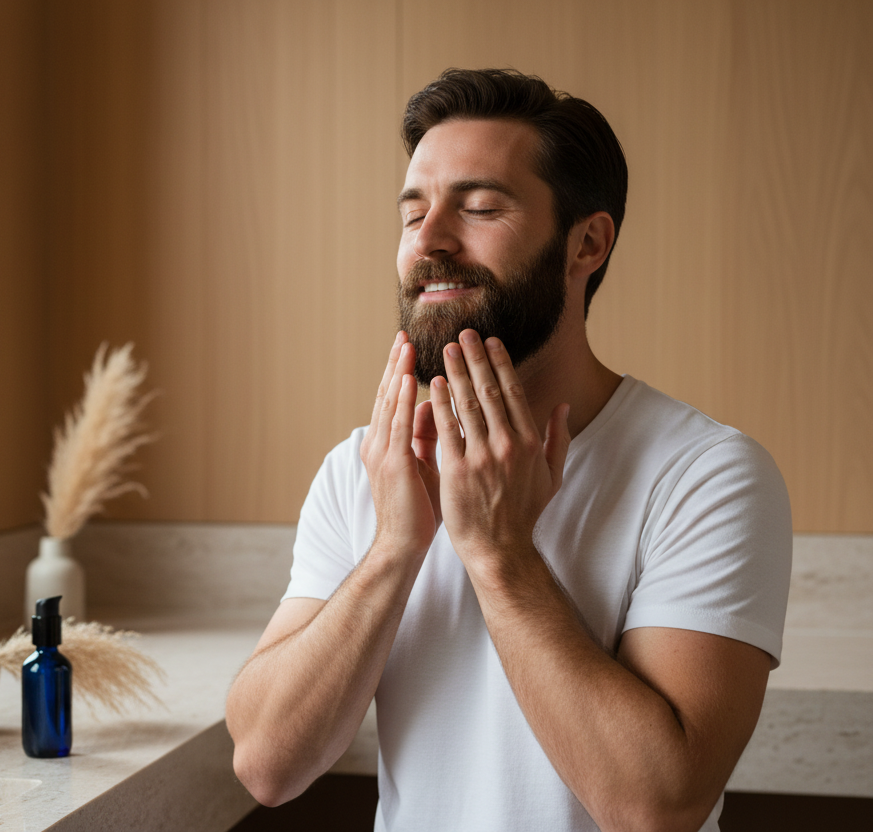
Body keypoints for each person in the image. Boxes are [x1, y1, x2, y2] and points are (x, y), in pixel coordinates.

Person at [225, 69, 792, 832]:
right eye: (412, 214)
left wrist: (499, 554)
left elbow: (656, 806)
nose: (429, 241)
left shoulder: (706, 477)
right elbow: (266, 764)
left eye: (481, 207)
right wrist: (396, 548)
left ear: (586, 243)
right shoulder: (369, 469)